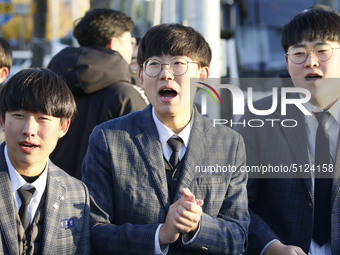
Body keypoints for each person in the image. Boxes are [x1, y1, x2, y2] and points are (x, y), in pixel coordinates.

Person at [81, 23, 249, 255]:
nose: (165, 74)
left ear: (201, 77)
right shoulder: (108, 139)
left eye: (178, 64)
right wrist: (160, 234)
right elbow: (93, 231)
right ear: (140, 77)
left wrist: (198, 225)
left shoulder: (230, 143)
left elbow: (239, 235)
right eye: (154, 65)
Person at [235, 5, 340, 255]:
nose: (310, 62)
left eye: (322, 51)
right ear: (287, 60)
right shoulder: (258, 117)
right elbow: (237, 200)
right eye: (299, 53)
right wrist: (270, 246)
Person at [48, 8, 148, 179]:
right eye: (130, 41)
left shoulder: (50, 83)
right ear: (113, 43)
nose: (132, 48)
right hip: (105, 201)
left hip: (52, 194)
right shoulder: (126, 94)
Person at [0, 68, 90, 254]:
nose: (29, 130)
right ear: (1, 120)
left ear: (63, 127)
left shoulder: (76, 193)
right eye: (19, 116)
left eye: (43, 118)